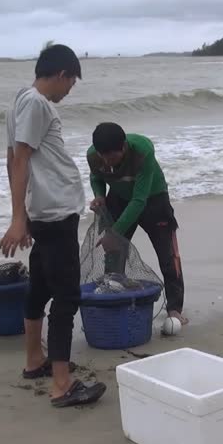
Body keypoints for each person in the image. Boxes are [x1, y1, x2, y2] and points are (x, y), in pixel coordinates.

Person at [0, 44, 106, 408]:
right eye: (72, 82)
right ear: (61, 74)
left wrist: (25, 214)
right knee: (66, 297)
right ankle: (63, 384)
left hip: (44, 212)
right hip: (56, 213)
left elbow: (12, 158)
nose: (70, 90)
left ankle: (34, 361)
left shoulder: (20, 100)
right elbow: (20, 158)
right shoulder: (36, 103)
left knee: (40, 289)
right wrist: (17, 218)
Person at [86, 123, 187, 326]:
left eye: (112, 157)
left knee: (167, 255)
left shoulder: (143, 151)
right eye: (103, 156)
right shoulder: (94, 155)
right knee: (113, 253)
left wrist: (114, 232)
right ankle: (114, 303)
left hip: (152, 197)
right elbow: (96, 176)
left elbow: (139, 200)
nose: (107, 161)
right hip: (119, 197)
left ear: (123, 147)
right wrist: (99, 195)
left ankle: (175, 310)